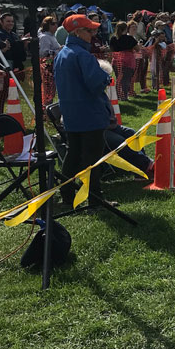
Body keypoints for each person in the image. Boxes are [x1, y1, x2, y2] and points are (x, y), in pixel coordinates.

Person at [54, 14, 114, 207]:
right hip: (90, 114)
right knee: (92, 160)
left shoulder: (61, 54)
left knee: (73, 156)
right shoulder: (82, 55)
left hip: (71, 115)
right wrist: (105, 77)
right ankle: (95, 199)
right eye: (89, 30)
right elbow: (96, 83)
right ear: (78, 32)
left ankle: (68, 196)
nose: (93, 34)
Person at [109, 21, 139, 100]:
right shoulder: (129, 38)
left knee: (118, 78)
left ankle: (117, 95)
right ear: (126, 29)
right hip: (127, 61)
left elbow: (111, 49)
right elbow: (137, 49)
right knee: (126, 79)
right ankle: (124, 96)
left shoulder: (113, 38)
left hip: (116, 60)